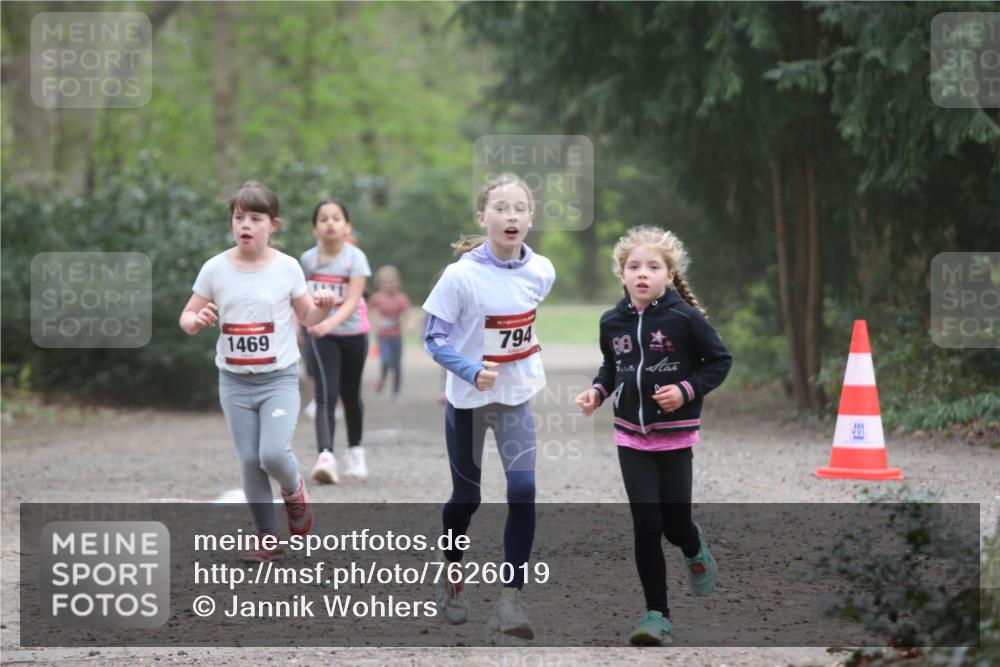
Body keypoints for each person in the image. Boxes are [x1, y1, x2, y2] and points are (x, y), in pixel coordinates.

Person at [574, 225, 732, 646]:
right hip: (631, 437)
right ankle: (656, 615)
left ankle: (693, 547)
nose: (642, 273)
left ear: (669, 273)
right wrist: (597, 391)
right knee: (647, 524)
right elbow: (613, 367)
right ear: (621, 274)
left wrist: (685, 390)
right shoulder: (612, 321)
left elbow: (719, 361)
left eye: (653, 266)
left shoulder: (685, 318)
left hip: (675, 437)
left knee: (675, 525)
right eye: (633, 266)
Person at [423, 174, 555, 639]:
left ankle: (510, 600)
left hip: (514, 398)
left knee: (523, 489)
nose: (512, 215)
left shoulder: (542, 270)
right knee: (467, 499)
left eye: (520, 208)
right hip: (467, 402)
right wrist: (469, 369)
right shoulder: (460, 276)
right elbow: (433, 339)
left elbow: (523, 325)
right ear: (482, 217)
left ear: (531, 218)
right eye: (501, 207)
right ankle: (452, 577)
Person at [180, 181, 335, 562]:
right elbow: (186, 316)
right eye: (238, 218)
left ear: (273, 225)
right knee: (249, 460)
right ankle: (267, 537)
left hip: (278, 378)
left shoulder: (287, 267)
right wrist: (196, 320)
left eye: (255, 218)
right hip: (233, 380)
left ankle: (295, 492)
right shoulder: (215, 268)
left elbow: (307, 316)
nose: (245, 225)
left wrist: (325, 308)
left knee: (273, 455)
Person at [300, 199, 372, 483]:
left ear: (347, 226)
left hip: (354, 333)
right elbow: (301, 297)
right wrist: (304, 323)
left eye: (336, 218)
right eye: (323, 219)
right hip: (321, 334)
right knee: (326, 394)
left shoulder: (355, 258)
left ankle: (355, 452)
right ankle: (326, 457)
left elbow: (353, 300)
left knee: (350, 394)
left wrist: (329, 321)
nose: (330, 223)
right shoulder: (307, 260)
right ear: (315, 228)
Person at [369, 265, 412, 400]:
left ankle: (396, 392)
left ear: (397, 282)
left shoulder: (401, 298)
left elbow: (408, 313)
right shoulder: (377, 298)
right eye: (385, 283)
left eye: (392, 282)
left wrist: (410, 323)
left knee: (397, 365)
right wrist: (368, 322)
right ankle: (381, 379)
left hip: (396, 336)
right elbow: (366, 310)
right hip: (382, 336)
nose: (389, 285)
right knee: (386, 361)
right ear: (380, 284)